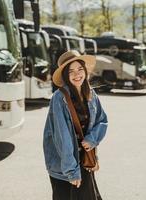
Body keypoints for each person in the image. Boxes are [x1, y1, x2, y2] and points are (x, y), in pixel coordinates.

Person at [43, 50, 108, 200]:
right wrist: (71, 170)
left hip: (84, 158)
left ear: (85, 70)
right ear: (65, 75)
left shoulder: (91, 94)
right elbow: (62, 137)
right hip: (65, 162)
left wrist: (92, 139)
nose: (76, 74)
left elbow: (102, 120)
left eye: (79, 69)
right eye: (71, 71)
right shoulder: (59, 98)